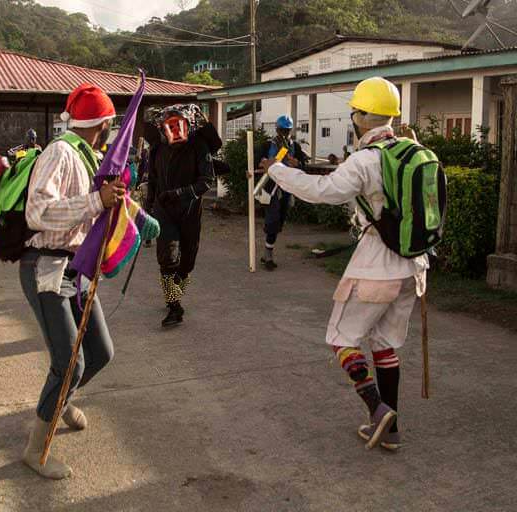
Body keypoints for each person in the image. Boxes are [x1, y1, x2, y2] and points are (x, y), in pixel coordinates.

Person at [258, 77, 429, 451]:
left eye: (354, 112)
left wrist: (276, 171)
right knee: (384, 344)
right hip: (414, 267)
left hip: (376, 267)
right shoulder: (413, 149)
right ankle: (391, 430)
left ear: (361, 116)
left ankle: (377, 408)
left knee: (340, 338)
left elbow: (323, 192)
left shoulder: (367, 159)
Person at [19, 83, 124, 480]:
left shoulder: (87, 156)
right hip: (45, 267)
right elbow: (38, 212)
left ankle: (60, 404)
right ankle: (36, 450)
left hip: (76, 269)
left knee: (100, 352)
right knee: (68, 363)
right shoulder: (59, 152)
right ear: (103, 123)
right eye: (110, 124)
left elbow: (94, 213)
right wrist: (97, 201)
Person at [145, 104, 216, 327]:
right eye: (170, 126)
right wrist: (147, 210)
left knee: (187, 263)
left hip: (190, 211)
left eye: (179, 125)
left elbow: (206, 181)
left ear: (188, 125)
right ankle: (174, 305)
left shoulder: (199, 146)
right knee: (168, 258)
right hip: (163, 211)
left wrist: (181, 193)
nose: (175, 130)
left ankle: (174, 292)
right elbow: (153, 181)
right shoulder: (156, 149)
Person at [255, 115, 308, 271]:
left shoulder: (295, 147)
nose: (284, 133)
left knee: (279, 221)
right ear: (276, 129)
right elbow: (256, 162)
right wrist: (264, 162)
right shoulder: (267, 145)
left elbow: (303, 165)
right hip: (270, 187)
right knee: (273, 218)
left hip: (287, 188)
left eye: (287, 130)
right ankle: (268, 255)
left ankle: (267, 252)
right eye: (282, 130)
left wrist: (297, 163)